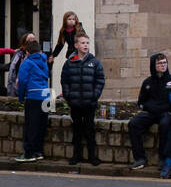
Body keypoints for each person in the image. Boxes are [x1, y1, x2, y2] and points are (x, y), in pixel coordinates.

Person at [59, 32, 105, 166]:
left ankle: (92, 157)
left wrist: (94, 95)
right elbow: (64, 80)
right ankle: (76, 156)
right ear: (76, 45)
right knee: (77, 131)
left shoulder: (95, 62)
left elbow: (100, 80)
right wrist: (68, 96)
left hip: (89, 103)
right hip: (75, 103)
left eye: (87, 43)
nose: (85, 45)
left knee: (90, 130)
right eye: (83, 43)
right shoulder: (69, 62)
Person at [129, 53, 171, 170]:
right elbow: (141, 101)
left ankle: (163, 158)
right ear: (153, 65)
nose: (163, 65)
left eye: (164, 62)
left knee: (165, 125)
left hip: (167, 112)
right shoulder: (147, 82)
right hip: (151, 113)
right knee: (133, 123)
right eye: (159, 63)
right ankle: (140, 158)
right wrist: (149, 107)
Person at [14, 39, 49, 162]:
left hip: (33, 96)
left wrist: (21, 97)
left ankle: (29, 153)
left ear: (27, 52)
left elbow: (22, 81)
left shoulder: (27, 63)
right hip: (46, 95)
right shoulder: (44, 61)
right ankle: (38, 151)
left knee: (31, 125)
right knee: (41, 125)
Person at [7, 32, 39, 98]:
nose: (32, 41)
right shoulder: (18, 54)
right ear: (24, 41)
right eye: (30, 39)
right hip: (14, 88)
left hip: (28, 89)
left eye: (33, 39)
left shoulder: (37, 55)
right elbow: (10, 67)